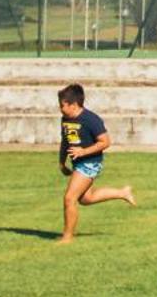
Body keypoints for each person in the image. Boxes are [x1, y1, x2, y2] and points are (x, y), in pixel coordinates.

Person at [56, 83, 136, 243]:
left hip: (90, 163)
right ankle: (122, 193)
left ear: (73, 104)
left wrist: (83, 152)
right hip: (77, 164)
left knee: (69, 198)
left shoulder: (91, 119)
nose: (60, 109)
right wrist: (62, 162)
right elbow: (65, 141)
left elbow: (105, 142)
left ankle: (67, 237)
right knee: (86, 198)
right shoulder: (65, 119)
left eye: (62, 105)